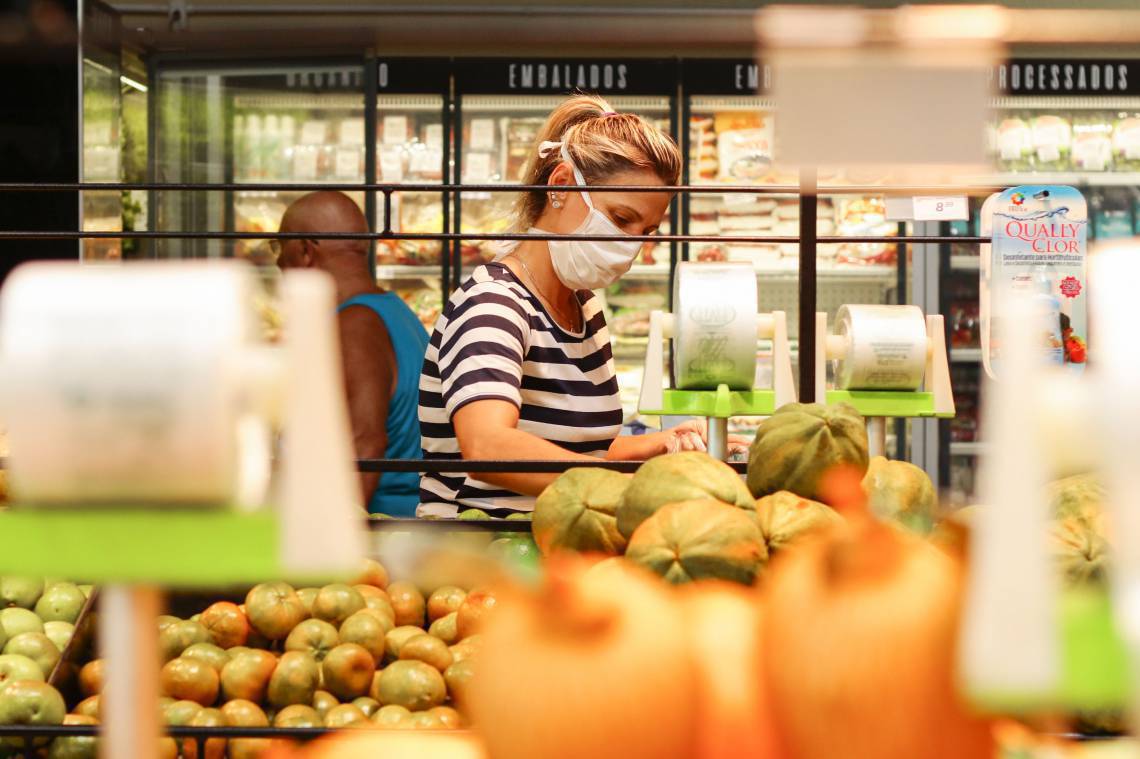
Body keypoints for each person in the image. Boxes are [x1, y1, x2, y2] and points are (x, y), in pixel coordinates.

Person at [419, 95, 746, 518]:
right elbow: (487, 444)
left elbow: (578, 448)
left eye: (647, 230)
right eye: (621, 218)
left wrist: (662, 445)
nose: (633, 244)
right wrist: (633, 485)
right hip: (484, 553)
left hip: (562, 543)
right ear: (560, 186)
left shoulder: (584, 309)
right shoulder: (495, 303)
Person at [275, 191, 429, 516]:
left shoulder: (353, 324)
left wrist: (335, 553)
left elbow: (364, 445)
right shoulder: (394, 310)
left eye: (280, 247)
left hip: (382, 530)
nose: (277, 262)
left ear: (305, 251)